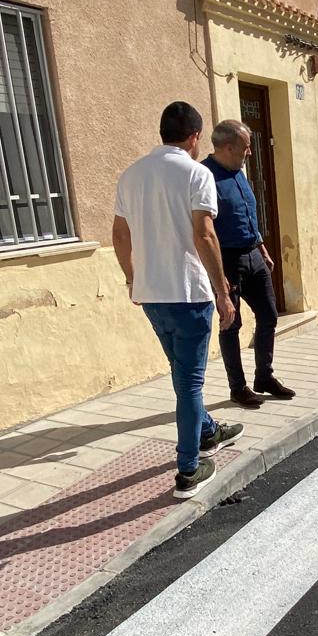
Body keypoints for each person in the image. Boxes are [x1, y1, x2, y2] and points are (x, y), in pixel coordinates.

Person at [112, 102, 244, 499]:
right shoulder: (196, 173)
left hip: (152, 295)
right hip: (188, 294)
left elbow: (120, 235)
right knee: (189, 381)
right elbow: (205, 234)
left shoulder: (131, 175)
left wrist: (133, 278)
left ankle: (206, 429)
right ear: (194, 137)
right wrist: (223, 292)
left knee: (181, 373)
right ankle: (189, 467)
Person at [202, 119, 295, 407]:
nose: (250, 153)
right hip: (227, 259)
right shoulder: (205, 177)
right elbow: (203, 230)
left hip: (253, 253)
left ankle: (263, 377)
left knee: (269, 315)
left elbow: (247, 214)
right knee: (231, 323)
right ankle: (238, 387)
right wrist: (217, 276)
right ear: (227, 147)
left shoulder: (239, 173)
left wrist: (262, 248)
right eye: (246, 147)